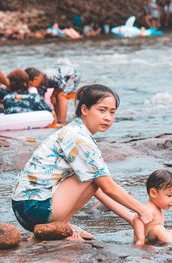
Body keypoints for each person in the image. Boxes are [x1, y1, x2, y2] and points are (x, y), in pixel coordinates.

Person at [11, 84, 153, 241]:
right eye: (102, 110)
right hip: (34, 208)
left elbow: (95, 186)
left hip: (25, 208)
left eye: (112, 112)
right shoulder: (79, 138)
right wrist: (143, 211)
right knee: (99, 177)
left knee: (95, 177)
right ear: (84, 110)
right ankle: (61, 225)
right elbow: (108, 187)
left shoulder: (76, 130)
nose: (108, 117)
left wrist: (131, 217)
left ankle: (62, 225)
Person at [133, 170, 172, 246]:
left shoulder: (157, 207)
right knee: (158, 229)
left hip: (155, 239)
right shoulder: (149, 208)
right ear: (153, 193)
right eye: (169, 196)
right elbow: (136, 218)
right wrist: (140, 240)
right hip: (147, 240)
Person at [25, 60, 80, 125]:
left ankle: (62, 121)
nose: (31, 87)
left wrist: (53, 95)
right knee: (54, 99)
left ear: (36, 79)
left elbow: (61, 86)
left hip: (72, 76)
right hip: (59, 83)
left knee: (61, 95)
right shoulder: (39, 84)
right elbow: (41, 99)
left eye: (31, 84)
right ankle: (56, 119)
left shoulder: (49, 75)